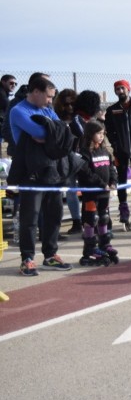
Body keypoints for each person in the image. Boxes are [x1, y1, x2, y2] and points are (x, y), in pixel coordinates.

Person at [7, 76, 75, 275]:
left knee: (54, 214)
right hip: (31, 172)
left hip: (52, 169)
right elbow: (42, 132)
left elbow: (63, 132)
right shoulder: (18, 111)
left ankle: (50, 255)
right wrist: (52, 132)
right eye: (48, 96)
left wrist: (52, 132)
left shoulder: (48, 110)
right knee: (31, 217)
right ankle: (27, 258)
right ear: (35, 91)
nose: (50, 102)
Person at [76, 120, 119, 265]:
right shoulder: (84, 152)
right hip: (91, 193)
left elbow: (112, 168)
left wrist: (113, 182)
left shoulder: (104, 151)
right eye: (99, 133)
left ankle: (104, 243)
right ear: (90, 134)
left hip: (104, 193)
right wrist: (102, 184)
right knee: (91, 219)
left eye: (103, 133)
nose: (101, 136)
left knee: (104, 218)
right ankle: (90, 248)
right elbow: (86, 173)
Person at [105, 79, 131, 230]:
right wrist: (116, 145)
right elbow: (109, 130)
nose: (120, 91)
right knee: (121, 180)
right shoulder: (112, 110)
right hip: (121, 152)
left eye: (122, 88)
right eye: (117, 89)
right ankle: (123, 210)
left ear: (128, 89)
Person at [53, 88, 83, 235]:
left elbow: (85, 134)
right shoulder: (57, 118)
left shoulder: (80, 117)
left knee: (89, 189)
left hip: (83, 157)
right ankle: (76, 221)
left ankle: (92, 219)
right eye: (66, 104)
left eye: (72, 104)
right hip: (66, 158)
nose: (70, 107)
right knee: (71, 191)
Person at [0, 74, 17, 156]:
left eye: (15, 84)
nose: (13, 85)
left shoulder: (4, 93)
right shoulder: (1, 93)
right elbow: (9, 106)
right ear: (3, 82)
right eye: (11, 83)